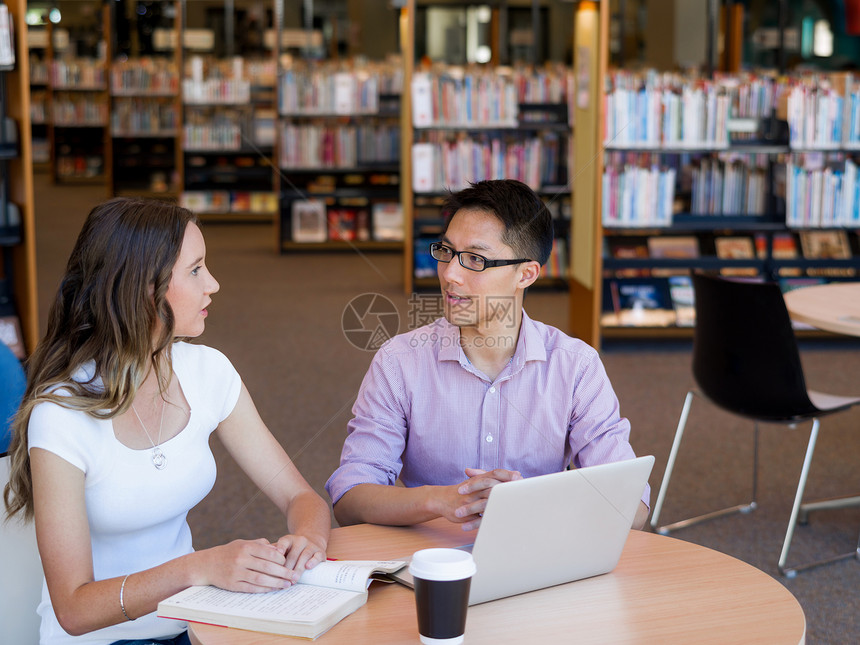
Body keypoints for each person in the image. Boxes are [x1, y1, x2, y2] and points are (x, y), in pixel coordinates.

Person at [3, 198, 331, 645]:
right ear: (143, 288)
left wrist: (307, 540)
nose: (213, 284)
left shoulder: (207, 372)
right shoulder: (61, 413)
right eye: (195, 270)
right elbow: (73, 609)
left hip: (186, 627)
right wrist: (200, 567)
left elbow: (299, 496)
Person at [326, 179, 650, 531]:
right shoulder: (399, 361)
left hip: (539, 559)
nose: (450, 274)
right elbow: (351, 497)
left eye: (475, 260)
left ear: (525, 274)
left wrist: (531, 504)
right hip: (429, 560)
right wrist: (441, 500)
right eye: (446, 252)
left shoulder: (575, 367)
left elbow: (632, 506)